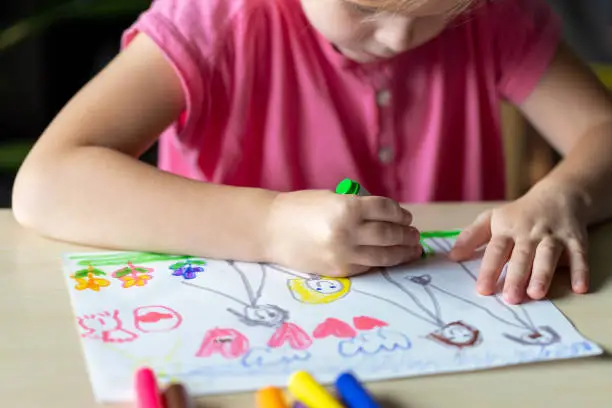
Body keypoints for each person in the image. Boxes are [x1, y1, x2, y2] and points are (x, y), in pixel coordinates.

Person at [11, 0, 612, 305]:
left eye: (435, 13)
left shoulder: (488, 18)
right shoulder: (218, 21)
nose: (400, 36)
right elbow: (47, 183)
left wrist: (565, 193)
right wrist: (268, 225)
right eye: (363, 8)